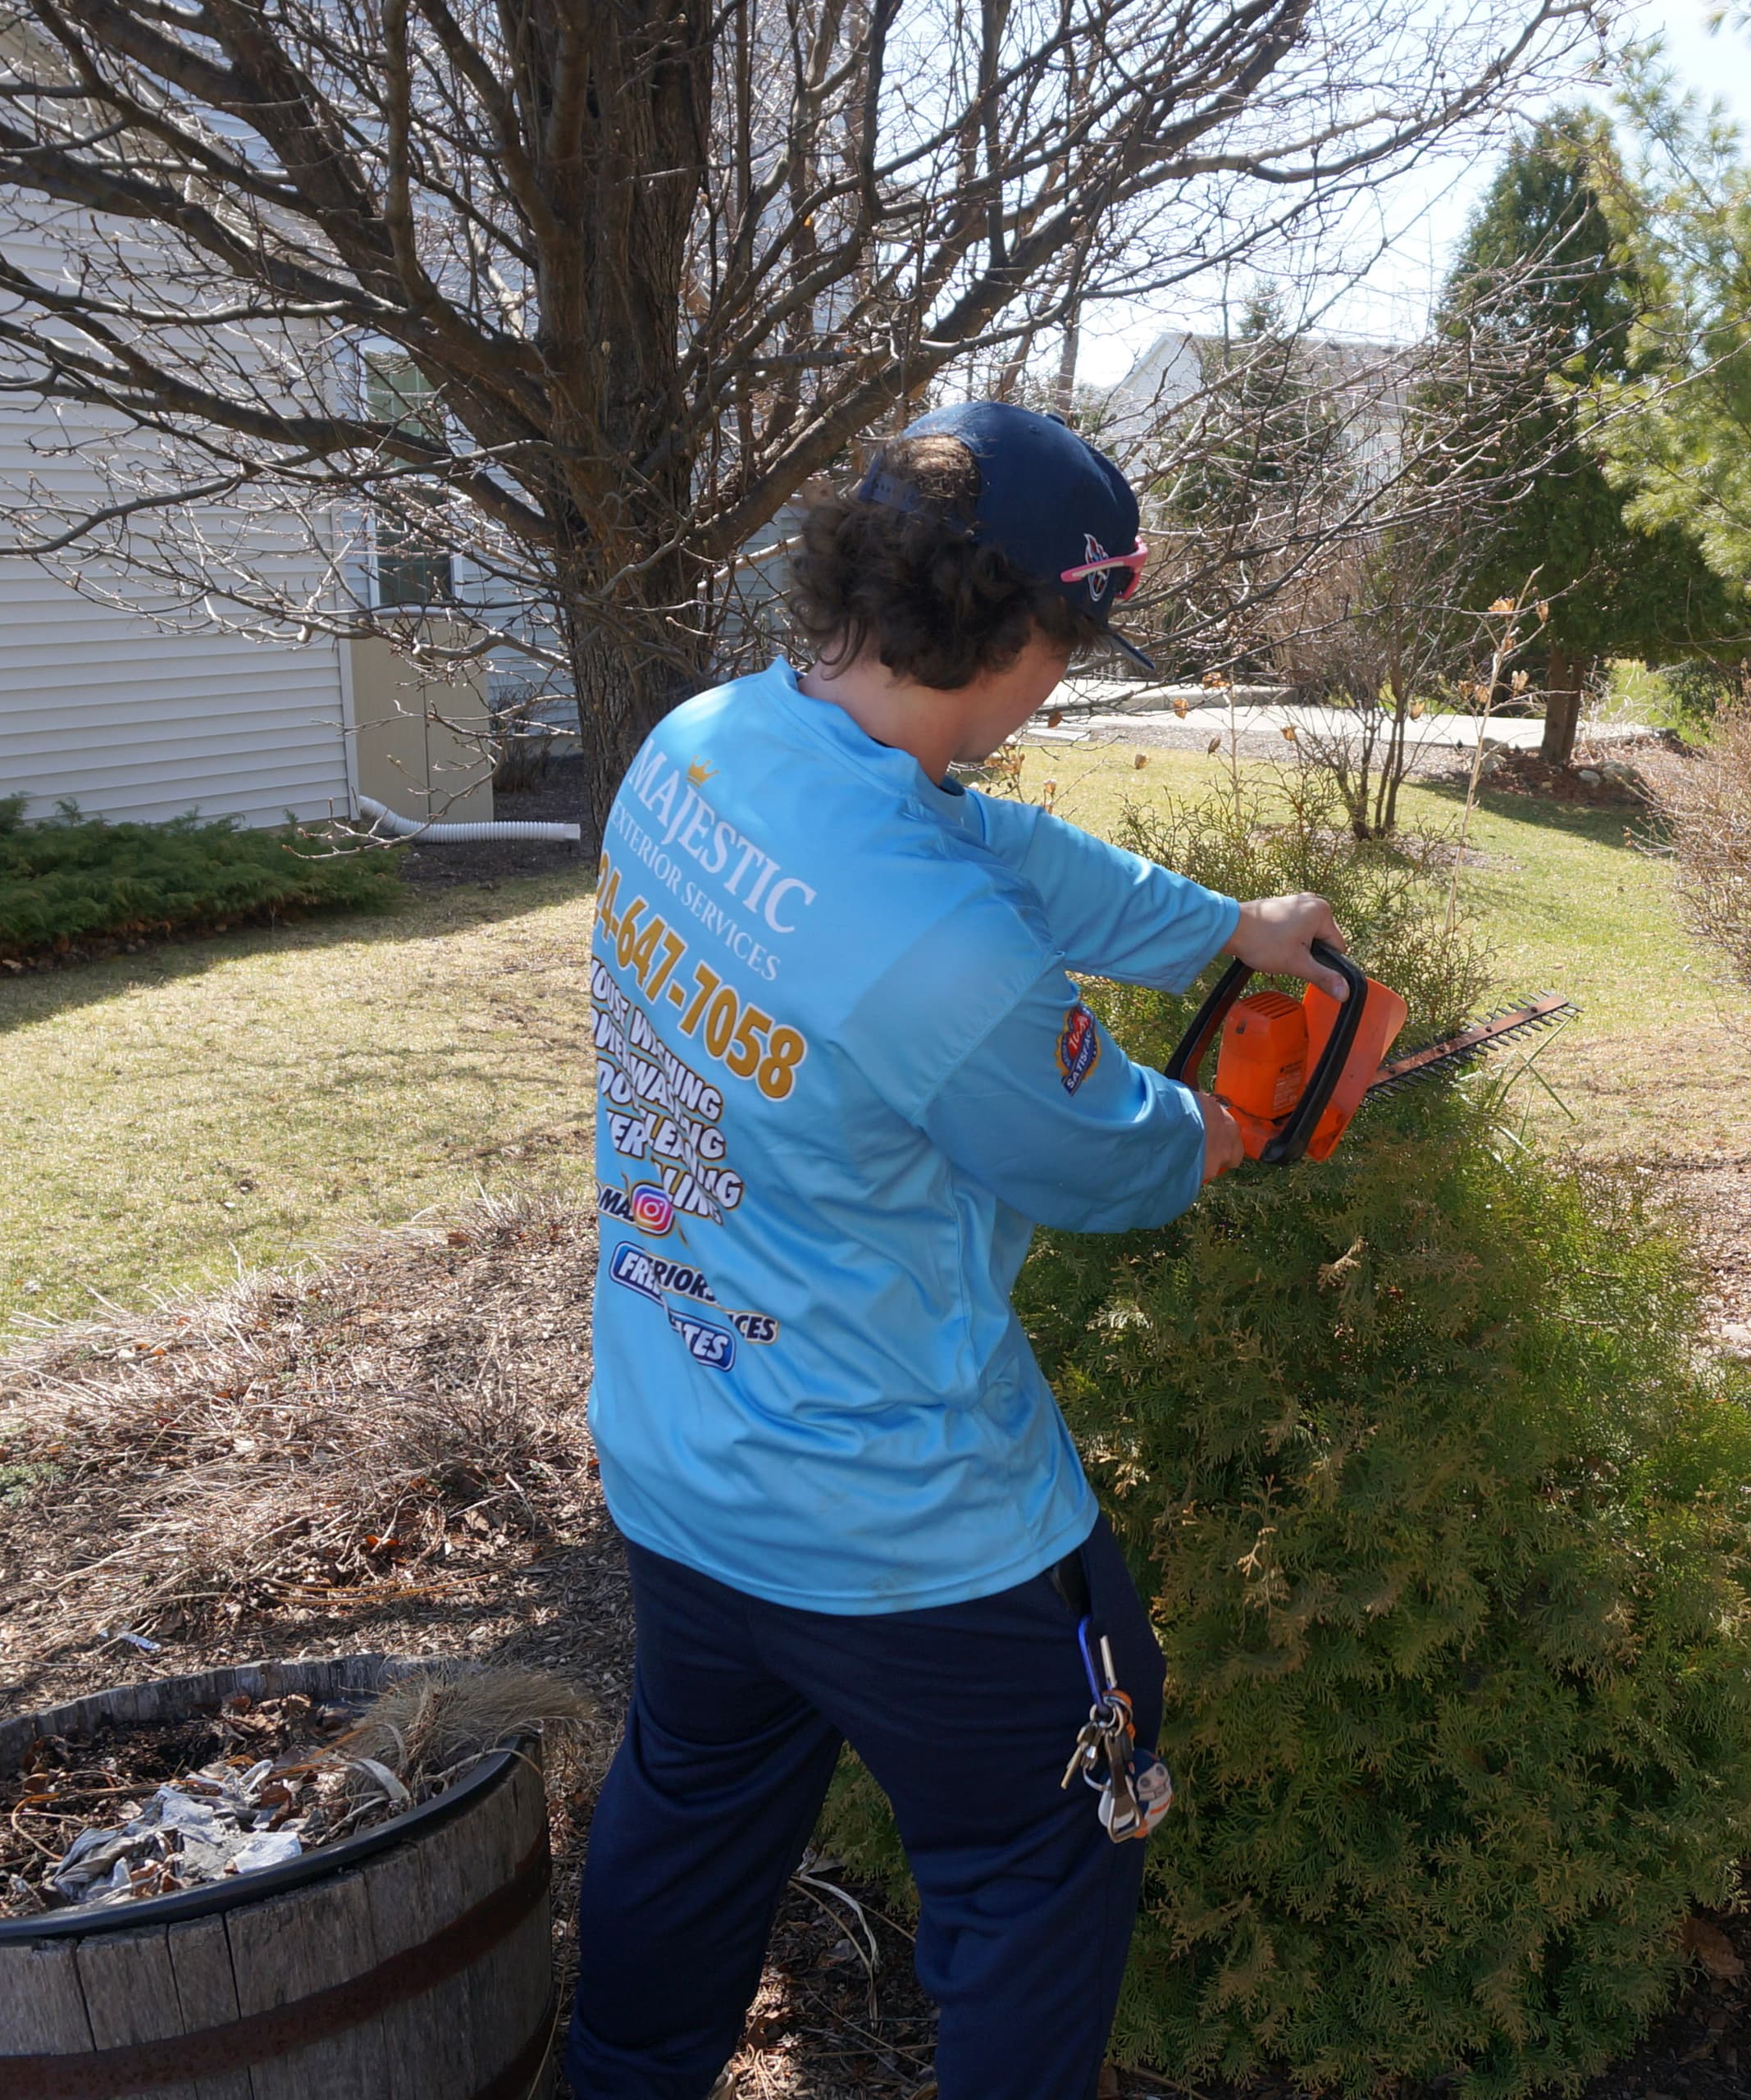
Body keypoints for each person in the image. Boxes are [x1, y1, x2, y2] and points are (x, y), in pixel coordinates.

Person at [567, 400, 1347, 2100]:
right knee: (1043, 1854)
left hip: (687, 1461)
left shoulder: (702, 745)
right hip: (912, 1535)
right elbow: (1114, 1161)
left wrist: (1229, 929)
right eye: (1068, 646)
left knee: (689, 1813)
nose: (1059, 684)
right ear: (1013, 636)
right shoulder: (948, 962)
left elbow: (986, 845)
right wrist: (1214, 1128)